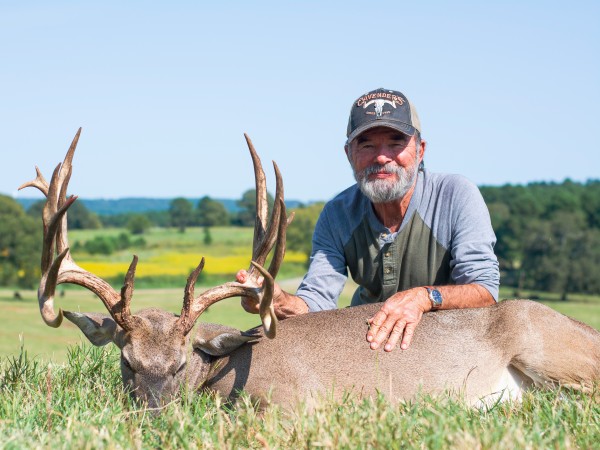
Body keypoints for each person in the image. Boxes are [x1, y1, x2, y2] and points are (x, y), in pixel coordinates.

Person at [237, 87, 499, 352]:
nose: (382, 157)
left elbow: (485, 290)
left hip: (445, 345)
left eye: (396, 142)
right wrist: (279, 301)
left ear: (420, 150)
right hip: (368, 345)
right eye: (367, 144)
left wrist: (424, 297)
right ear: (349, 153)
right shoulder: (337, 214)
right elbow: (317, 301)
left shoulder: (456, 195)